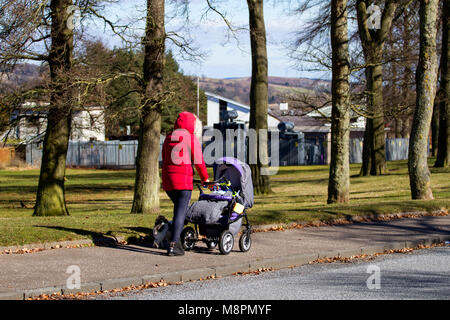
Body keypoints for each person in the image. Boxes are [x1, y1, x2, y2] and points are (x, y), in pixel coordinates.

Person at [161, 111, 209, 256]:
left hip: (168, 182)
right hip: (183, 182)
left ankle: (172, 238)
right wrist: (205, 179)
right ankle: (174, 245)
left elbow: (164, 158)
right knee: (180, 213)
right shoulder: (190, 138)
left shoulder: (169, 137)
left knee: (179, 211)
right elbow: (199, 162)